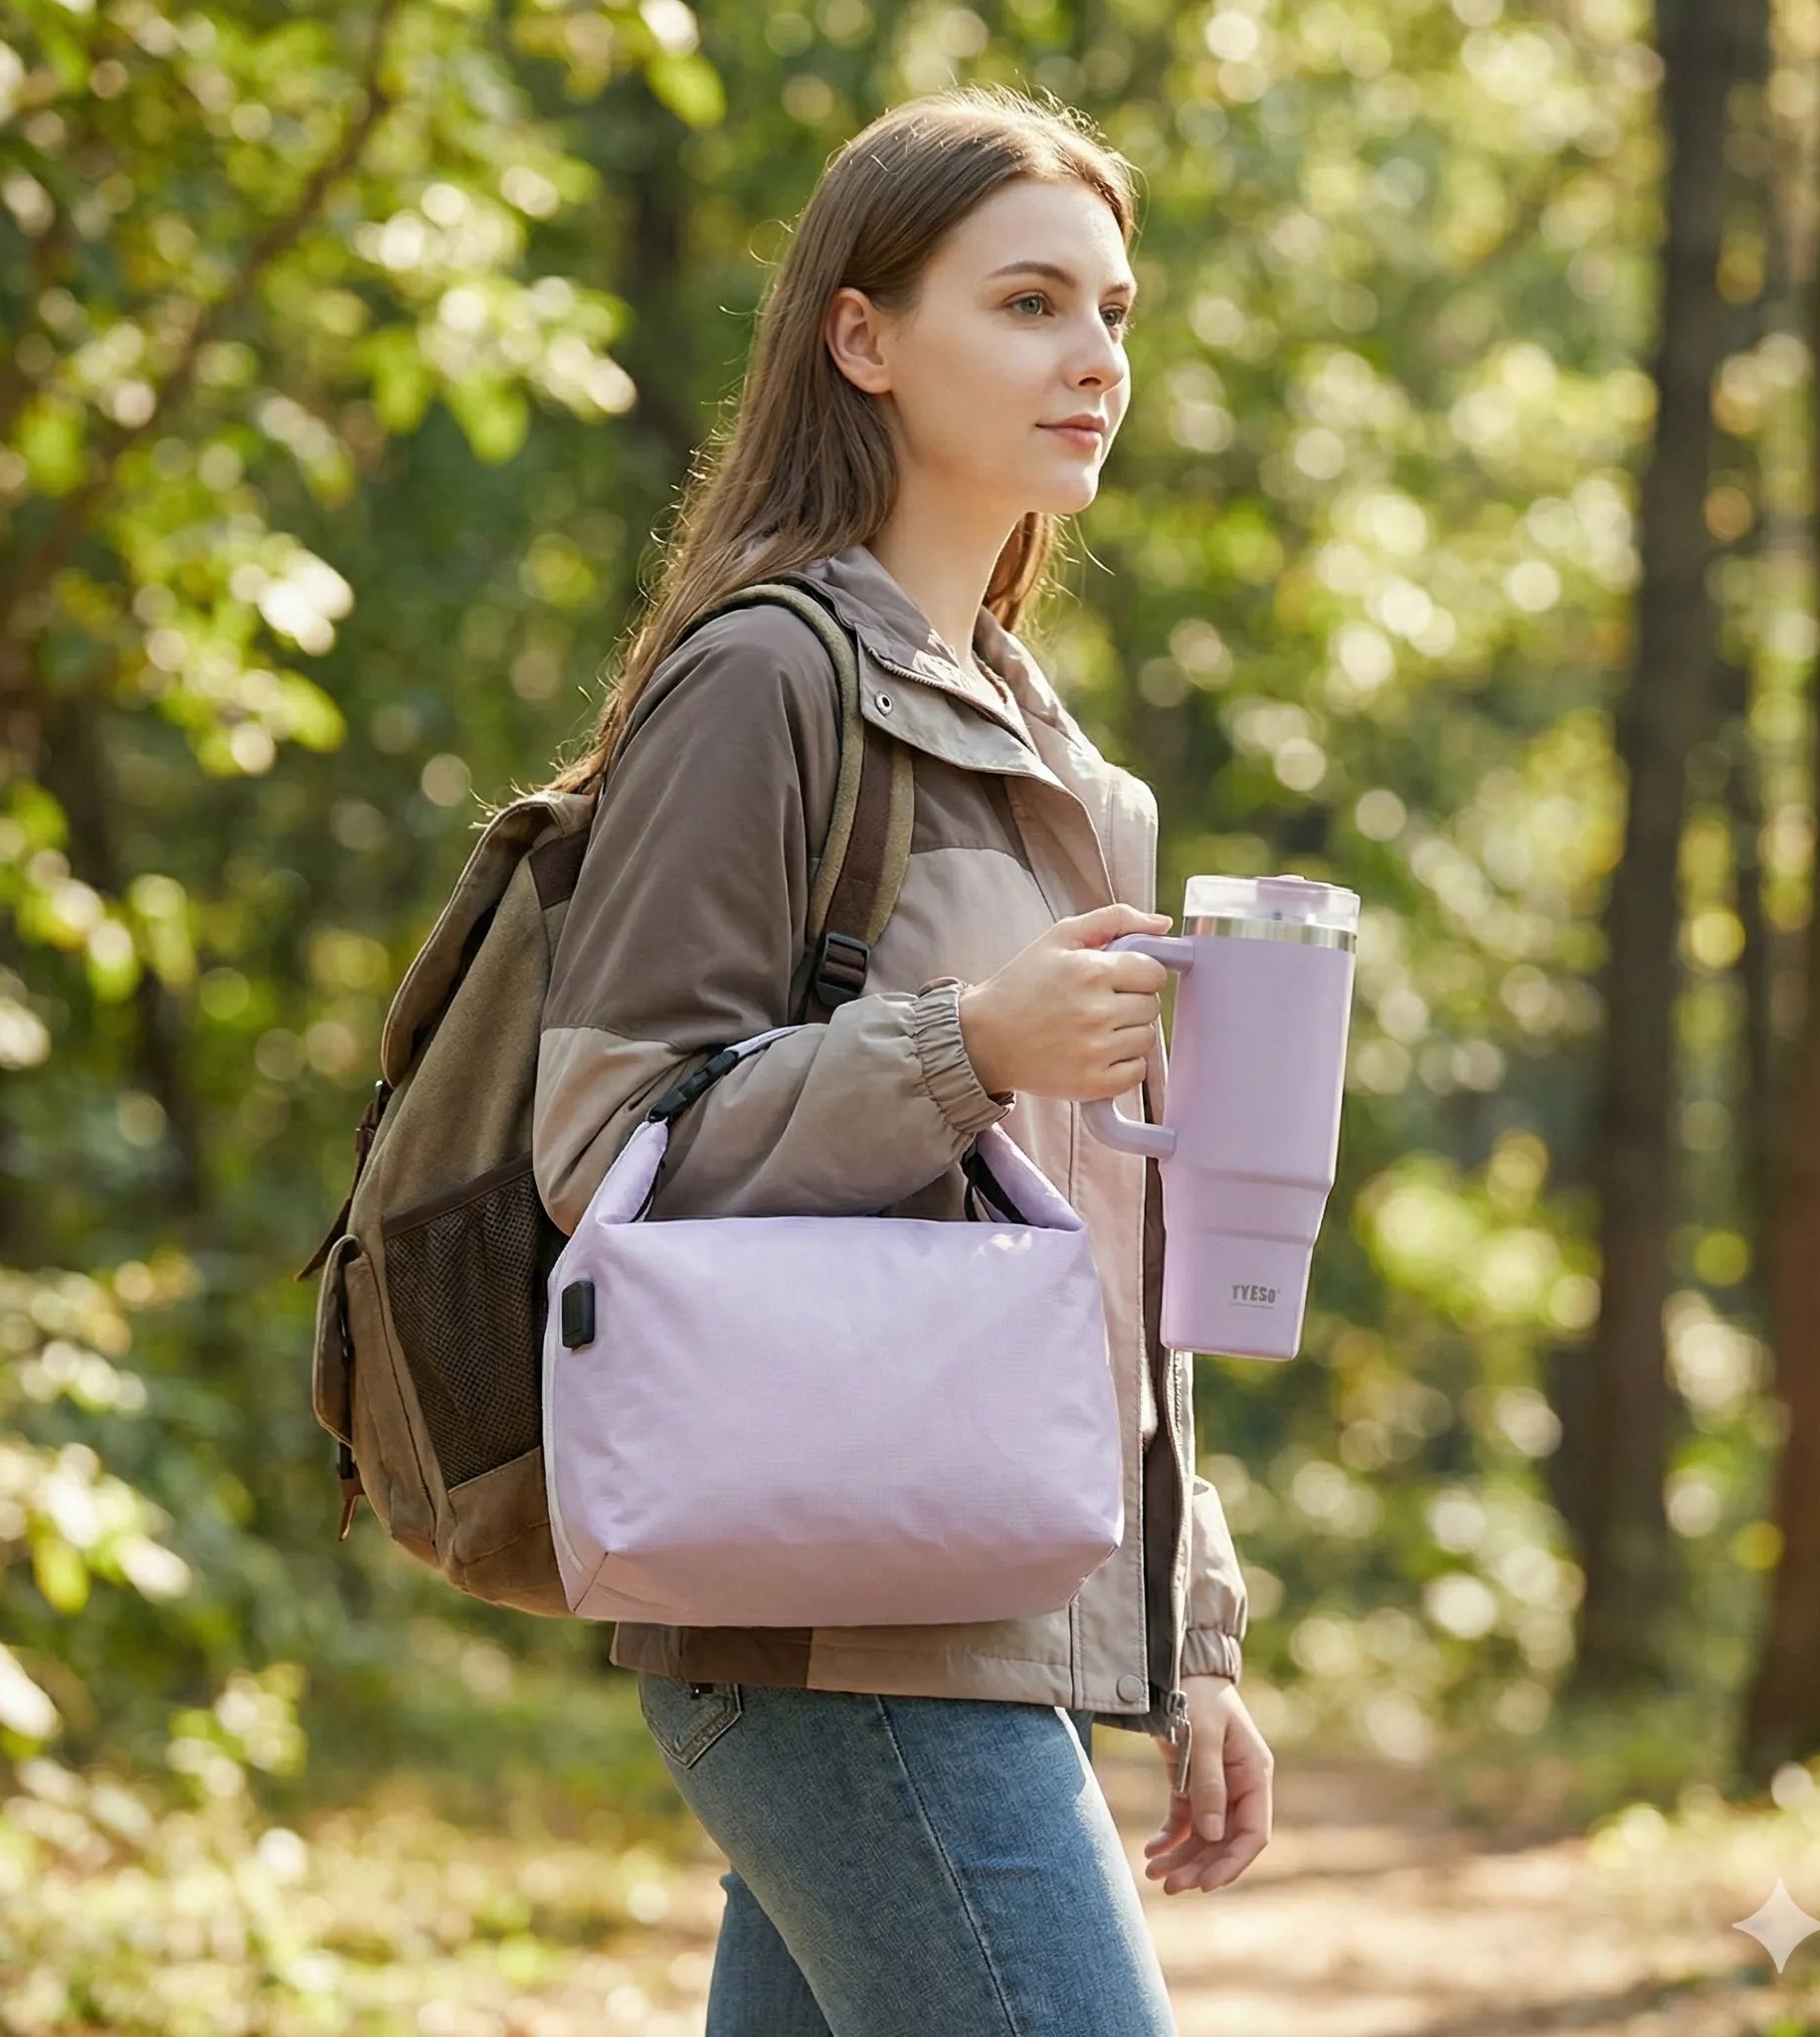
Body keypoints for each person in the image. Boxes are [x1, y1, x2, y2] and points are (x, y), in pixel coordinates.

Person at [529, 81, 1272, 2037]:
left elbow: (1101, 1250)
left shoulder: (1069, 785)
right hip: (818, 1605)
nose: (1094, 357)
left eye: (1114, 311)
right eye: (1029, 303)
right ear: (861, 336)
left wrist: (1189, 1628)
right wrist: (967, 1043)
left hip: (974, 1597)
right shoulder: (762, 682)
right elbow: (610, 1140)